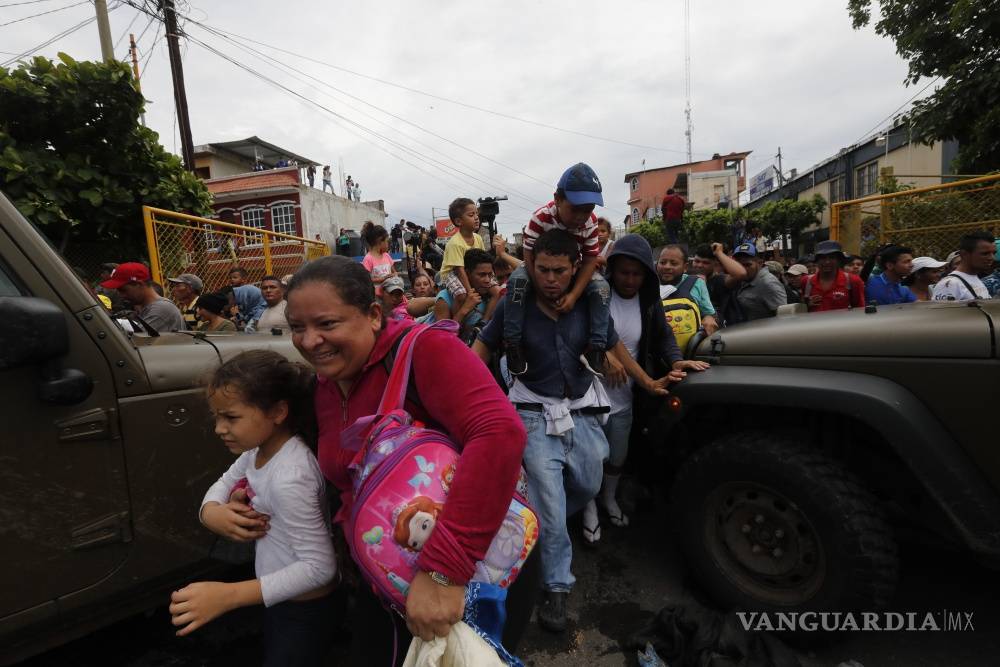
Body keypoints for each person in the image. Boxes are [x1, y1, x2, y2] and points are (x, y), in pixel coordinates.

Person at [282, 255, 531, 665]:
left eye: (327, 324)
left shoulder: (425, 350)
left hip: (468, 573)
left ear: (374, 315)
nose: (310, 341)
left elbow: (500, 434)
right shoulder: (325, 386)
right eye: (297, 328)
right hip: (384, 578)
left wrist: (444, 572)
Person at [472, 229, 614, 634]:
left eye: (559, 271)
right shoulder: (513, 307)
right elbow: (481, 349)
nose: (550, 278)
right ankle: (556, 586)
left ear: (575, 270)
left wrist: (648, 376)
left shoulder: (590, 303)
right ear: (531, 267)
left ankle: (535, 530)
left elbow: (614, 344)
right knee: (551, 507)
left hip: (582, 412)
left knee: (588, 483)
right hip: (533, 414)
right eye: (542, 269)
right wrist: (464, 395)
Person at [170, 350, 336, 664]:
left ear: (277, 412)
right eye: (217, 416)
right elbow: (222, 483)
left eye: (230, 417)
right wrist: (211, 513)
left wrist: (229, 595)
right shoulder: (259, 450)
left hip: (303, 610)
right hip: (282, 596)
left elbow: (320, 569)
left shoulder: (289, 477)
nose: (219, 428)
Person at [582, 234, 708, 544]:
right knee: (588, 458)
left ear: (646, 275)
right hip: (588, 395)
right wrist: (605, 356)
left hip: (626, 395)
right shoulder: (598, 296)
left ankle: (609, 499)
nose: (629, 279)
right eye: (623, 272)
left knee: (618, 456)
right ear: (613, 270)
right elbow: (580, 335)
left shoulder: (649, 303)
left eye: (636, 273)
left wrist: (677, 362)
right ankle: (588, 509)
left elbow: (665, 338)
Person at [506, 162, 611, 377]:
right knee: (516, 281)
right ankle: (512, 344)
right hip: (539, 271)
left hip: (572, 272)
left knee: (602, 288)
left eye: (588, 209)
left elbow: (590, 261)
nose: (582, 216)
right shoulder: (540, 217)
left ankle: (596, 348)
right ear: (557, 199)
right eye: (575, 208)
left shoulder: (590, 224)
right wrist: (540, 291)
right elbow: (528, 256)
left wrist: (573, 295)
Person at [429, 249, 500, 340]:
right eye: (481, 275)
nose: (487, 280)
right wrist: (464, 309)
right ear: (467, 274)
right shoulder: (445, 299)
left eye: (490, 275)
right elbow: (443, 338)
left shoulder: (491, 297)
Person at [101, 262, 184, 333]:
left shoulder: (161, 308)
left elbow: (136, 343)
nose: (121, 295)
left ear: (139, 284)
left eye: (123, 290)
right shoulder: (149, 307)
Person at [657, 245, 720, 335]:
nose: (667, 267)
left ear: (685, 267)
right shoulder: (649, 285)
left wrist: (709, 318)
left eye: (674, 263)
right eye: (662, 262)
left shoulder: (697, 283)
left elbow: (710, 314)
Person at [438, 198, 486, 311]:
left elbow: (483, 260)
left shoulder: (478, 238)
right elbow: (459, 270)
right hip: (451, 273)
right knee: (461, 295)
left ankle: (485, 319)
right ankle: (456, 319)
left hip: (469, 270)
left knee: (494, 289)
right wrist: (470, 292)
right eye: (471, 215)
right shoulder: (455, 243)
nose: (476, 217)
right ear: (459, 221)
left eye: (476, 214)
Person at [690, 243, 747, 327]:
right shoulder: (687, 279)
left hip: (720, 331)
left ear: (715, 264)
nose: (700, 265)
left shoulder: (719, 281)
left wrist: (719, 253)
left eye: (705, 263)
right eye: (697, 261)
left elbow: (740, 274)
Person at [800, 240, 865, 312]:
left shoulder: (853, 280)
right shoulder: (806, 281)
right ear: (817, 260)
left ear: (839, 260)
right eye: (823, 258)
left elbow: (860, 310)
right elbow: (799, 310)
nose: (827, 262)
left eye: (831, 257)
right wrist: (806, 305)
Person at [727, 243, 788, 320]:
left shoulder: (768, 283)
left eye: (747, 265)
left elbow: (783, 318)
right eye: (739, 265)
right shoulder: (742, 279)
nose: (742, 269)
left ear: (760, 263)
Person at [933, 231, 994, 301]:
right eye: (985, 254)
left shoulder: (974, 278)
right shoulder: (950, 284)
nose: (991, 258)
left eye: (993, 253)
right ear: (965, 254)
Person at [361, 222, 397, 293]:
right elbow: (366, 279)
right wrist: (383, 279)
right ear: (380, 241)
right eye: (387, 241)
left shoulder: (386, 255)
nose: (388, 244)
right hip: (376, 295)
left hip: (389, 293)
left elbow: (394, 272)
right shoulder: (368, 259)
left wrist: (394, 275)